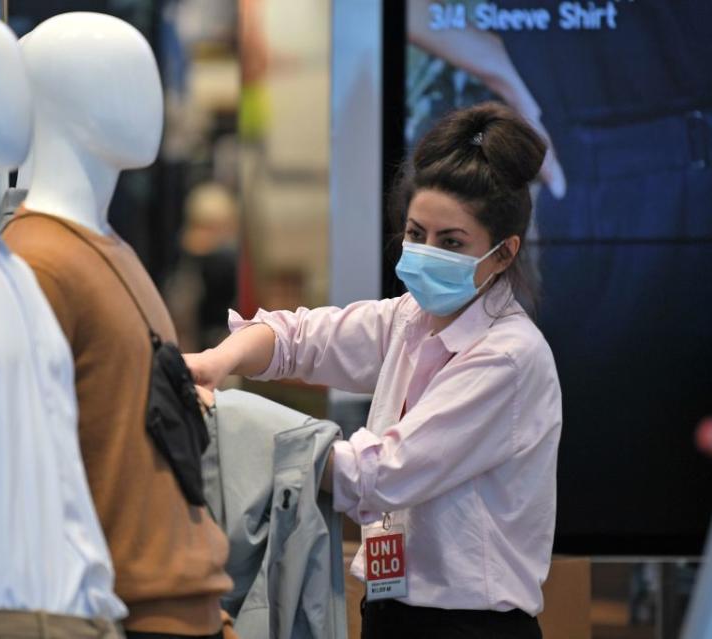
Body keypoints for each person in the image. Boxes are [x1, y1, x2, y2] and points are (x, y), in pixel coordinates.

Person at [186, 102, 562, 638]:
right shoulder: (412, 318)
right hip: (390, 610)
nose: (425, 252)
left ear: (503, 255)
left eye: (451, 243)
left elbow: (379, 474)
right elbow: (300, 339)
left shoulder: (507, 357)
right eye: (415, 233)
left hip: (467, 628)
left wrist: (231, 424)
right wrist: (214, 363)